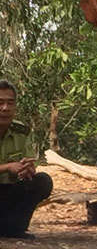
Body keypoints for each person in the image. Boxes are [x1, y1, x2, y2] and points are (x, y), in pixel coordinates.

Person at [0, 80, 52, 240]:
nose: (5, 108)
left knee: (42, 181)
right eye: (0, 102)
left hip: (7, 191)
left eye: (10, 103)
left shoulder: (22, 132)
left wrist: (26, 170)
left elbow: (28, 164)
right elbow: (9, 167)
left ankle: (11, 228)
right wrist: (7, 167)